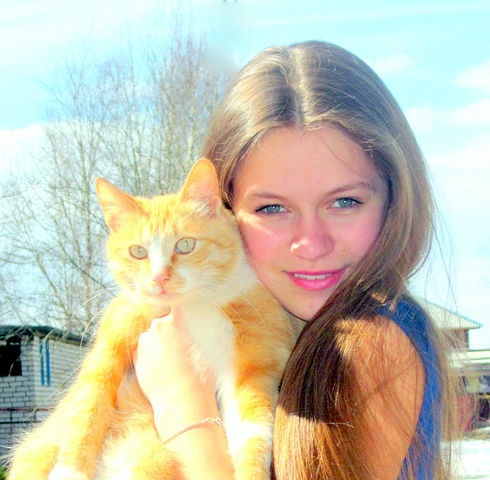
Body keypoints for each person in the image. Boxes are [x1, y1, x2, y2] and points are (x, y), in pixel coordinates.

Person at [133, 41, 460, 479]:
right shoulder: (259, 338)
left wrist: (183, 407)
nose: (310, 244)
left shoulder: (374, 344)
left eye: (344, 202)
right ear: (223, 214)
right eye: (272, 208)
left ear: (394, 201)